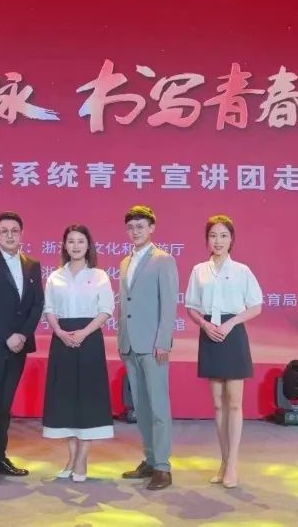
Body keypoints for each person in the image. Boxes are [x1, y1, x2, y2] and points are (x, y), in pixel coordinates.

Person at [185, 214, 263, 489]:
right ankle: (223, 461)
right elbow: (191, 306)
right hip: (209, 334)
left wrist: (230, 324)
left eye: (223, 236)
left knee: (234, 404)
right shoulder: (199, 270)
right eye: (213, 236)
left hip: (233, 334)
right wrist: (204, 325)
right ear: (207, 240)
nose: (218, 241)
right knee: (218, 405)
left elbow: (256, 306)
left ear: (231, 240)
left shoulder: (242, 271)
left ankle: (232, 465)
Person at [0, 211, 45, 485]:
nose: (10, 235)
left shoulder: (32, 265)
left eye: (14, 230)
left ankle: (1, 458)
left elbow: (37, 304)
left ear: (21, 233)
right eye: (4, 231)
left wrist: (22, 335)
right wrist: (7, 336)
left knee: (5, 405)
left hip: (19, 347)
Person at [42, 224, 115, 483]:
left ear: (88, 245)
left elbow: (106, 310)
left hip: (89, 339)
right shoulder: (55, 277)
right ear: (64, 245)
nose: (75, 246)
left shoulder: (99, 276)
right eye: (71, 241)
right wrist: (60, 332)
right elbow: (49, 309)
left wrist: (84, 333)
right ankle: (71, 459)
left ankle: (82, 460)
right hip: (62, 339)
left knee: (88, 399)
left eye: (80, 241)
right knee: (65, 400)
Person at [117, 205, 179, 491]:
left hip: (153, 346)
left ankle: (163, 467)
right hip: (130, 344)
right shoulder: (125, 262)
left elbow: (169, 304)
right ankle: (150, 459)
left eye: (140, 226)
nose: (135, 232)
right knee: (140, 407)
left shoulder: (163, 260)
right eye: (131, 227)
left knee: (158, 407)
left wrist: (163, 341)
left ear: (151, 228)